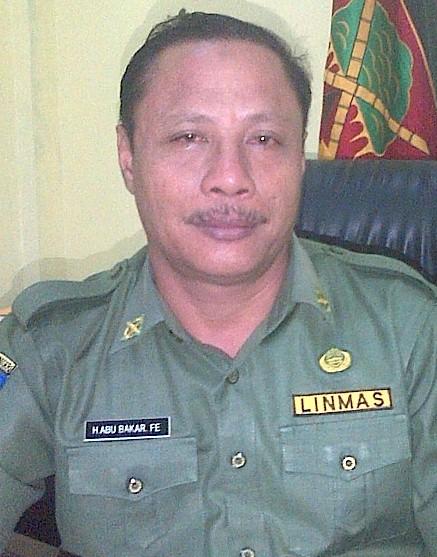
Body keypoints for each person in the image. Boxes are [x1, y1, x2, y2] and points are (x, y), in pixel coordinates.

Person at [0, 10, 436, 557]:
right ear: (128, 157)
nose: (230, 177)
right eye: (189, 137)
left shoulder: (408, 326)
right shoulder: (51, 346)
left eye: (264, 139)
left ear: (298, 157)